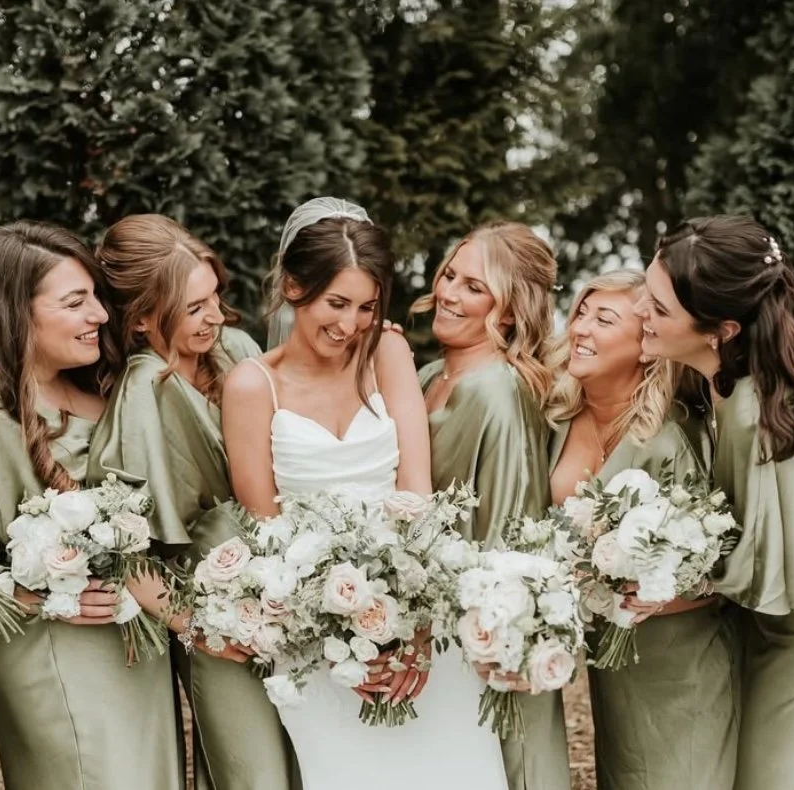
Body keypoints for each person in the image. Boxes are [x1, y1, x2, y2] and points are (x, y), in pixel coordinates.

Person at [222, 197, 507, 790]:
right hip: (315, 637)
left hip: (419, 619)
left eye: (367, 307)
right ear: (295, 286)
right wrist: (343, 636)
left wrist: (418, 630)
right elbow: (265, 530)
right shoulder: (253, 386)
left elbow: (417, 496)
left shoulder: (388, 353)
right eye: (337, 303)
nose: (350, 324)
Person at [0, 220, 182, 790]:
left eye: (95, 297)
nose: (100, 316)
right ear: (17, 311)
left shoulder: (98, 388)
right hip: (50, 649)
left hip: (132, 637)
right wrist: (39, 594)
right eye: (74, 302)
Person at [87, 214, 295, 790]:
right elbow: (125, 547)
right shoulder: (143, 393)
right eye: (194, 307)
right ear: (143, 318)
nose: (216, 317)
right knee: (254, 774)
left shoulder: (237, 350)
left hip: (290, 591)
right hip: (217, 611)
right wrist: (201, 627)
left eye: (216, 297)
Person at [637, 214, 794, 790]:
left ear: (721, 329)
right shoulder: (718, 378)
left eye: (658, 309)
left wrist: (641, 573)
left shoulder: (757, 417)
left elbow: (759, 567)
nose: (639, 316)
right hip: (761, 634)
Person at [548, 270, 738, 790]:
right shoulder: (556, 420)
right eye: (580, 312)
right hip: (611, 666)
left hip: (681, 661)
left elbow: (717, 564)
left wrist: (641, 591)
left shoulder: (673, 438)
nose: (581, 328)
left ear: (647, 346)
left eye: (603, 318)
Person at [413, 221, 570, 790]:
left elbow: (510, 536)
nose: (449, 292)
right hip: (431, 624)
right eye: (450, 275)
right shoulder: (430, 374)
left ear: (507, 313)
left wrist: (496, 641)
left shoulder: (499, 393)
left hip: (484, 636)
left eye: (474, 287)